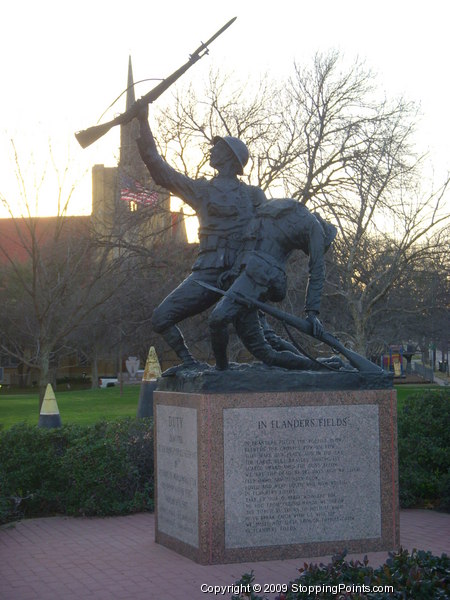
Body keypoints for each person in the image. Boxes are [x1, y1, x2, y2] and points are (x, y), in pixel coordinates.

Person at [135, 103, 267, 372]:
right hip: (207, 274)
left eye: (217, 147)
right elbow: (160, 170)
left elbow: (267, 239)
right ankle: (190, 363)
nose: (211, 149)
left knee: (266, 344)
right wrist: (143, 123)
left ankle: (327, 366)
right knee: (161, 317)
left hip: (241, 276)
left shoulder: (254, 196)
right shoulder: (201, 190)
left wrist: (252, 273)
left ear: (230, 158)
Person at [208, 198, 338, 370]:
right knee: (265, 353)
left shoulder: (285, 207)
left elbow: (253, 240)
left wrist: (312, 313)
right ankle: (323, 366)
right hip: (254, 273)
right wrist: (236, 270)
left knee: (218, 318)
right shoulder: (315, 227)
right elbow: (317, 270)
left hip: (261, 275)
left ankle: (221, 372)